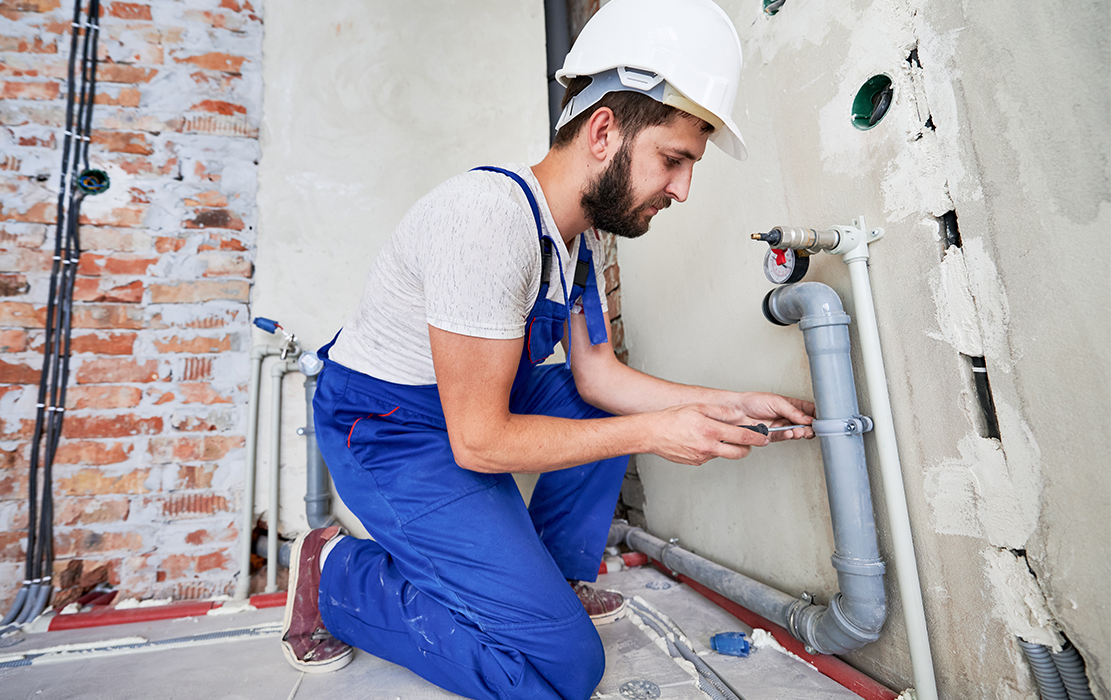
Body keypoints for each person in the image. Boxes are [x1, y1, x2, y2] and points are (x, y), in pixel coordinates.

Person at [279, 0, 815, 697]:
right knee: (561, 669)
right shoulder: (487, 222)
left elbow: (598, 380)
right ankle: (337, 579)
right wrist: (658, 431)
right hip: (387, 427)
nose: (682, 189)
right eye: (674, 160)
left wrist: (726, 401)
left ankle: (548, 585)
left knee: (580, 401)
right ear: (603, 132)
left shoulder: (581, 237)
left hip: (462, 406)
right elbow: (478, 442)